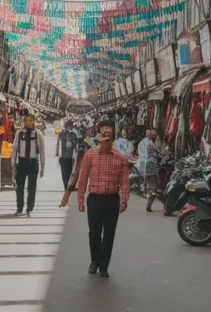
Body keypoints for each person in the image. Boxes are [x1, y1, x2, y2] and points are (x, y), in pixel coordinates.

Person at [75, 121, 130, 278]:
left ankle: (104, 265)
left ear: (111, 141)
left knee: (109, 235)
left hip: (112, 200)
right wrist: (80, 199)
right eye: (101, 141)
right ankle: (94, 261)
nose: (103, 144)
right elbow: (83, 177)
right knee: (94, 233)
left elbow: (125, 181)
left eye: (106, 142)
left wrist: (124, 200)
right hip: (94, 199)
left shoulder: (120, 159)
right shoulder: (90, 155)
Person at [11, 114, 46, 216]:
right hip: (21, 163)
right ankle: (19, 208)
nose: (29, 123)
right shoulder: (19, 133)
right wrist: (13, 163)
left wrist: (42, 167)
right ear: (24, 121)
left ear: (34, 121)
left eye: (31, 121)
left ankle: (30, 208)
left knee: (32, 187)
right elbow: (14, 149)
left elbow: (42, 151)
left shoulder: (38, 134)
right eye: (26, 120)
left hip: (33, 163)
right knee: (19, 187)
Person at [138, 129, 161, 211]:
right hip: (151, 168)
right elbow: (143, 155)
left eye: (154, 135)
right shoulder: (147, 144)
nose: (153, 136)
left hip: (151, 168)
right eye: (152, 135)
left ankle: (149, 205)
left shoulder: (152, 144)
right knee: (153, 189)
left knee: (154, 188)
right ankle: (148, 206)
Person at [56, 119, 79, 189]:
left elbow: (76, 146)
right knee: (67, 174)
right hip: (66, 157)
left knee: (66, 174)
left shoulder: (73, 135)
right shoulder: (62, 134)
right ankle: (66, 187)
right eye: (71, 126)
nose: (72, 127)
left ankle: (67, 187)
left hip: (68, 158)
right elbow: (58, 144)